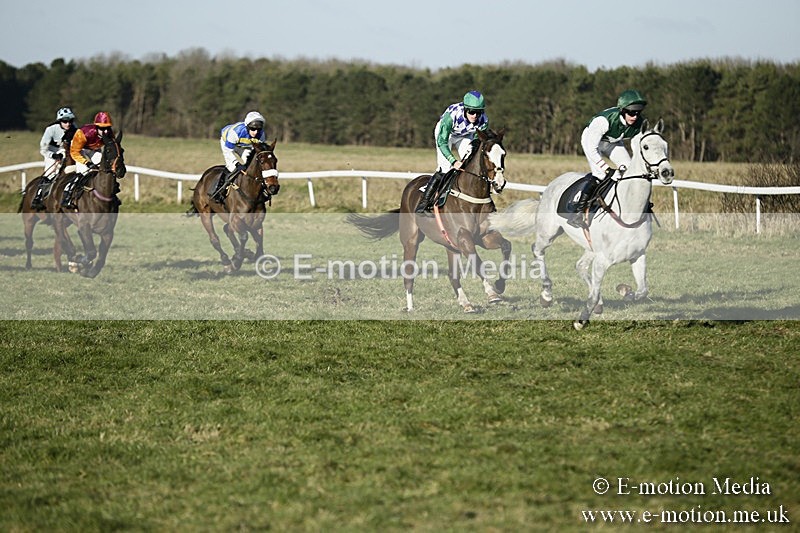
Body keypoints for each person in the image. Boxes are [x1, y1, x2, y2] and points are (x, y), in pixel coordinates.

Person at [569, 89, 647, 228]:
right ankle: (577, 212)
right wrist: (606, 169)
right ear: (622, 111)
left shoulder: (638, 123)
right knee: (599, 174)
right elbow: (591, 148)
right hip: (591, 142)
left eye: (638, 112)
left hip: (613, 142)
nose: (635, 116)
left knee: (629, 170)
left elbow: (637, 148)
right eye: (631, 112)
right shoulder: (603, 121)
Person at [415, 90, 489, 214]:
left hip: (464, 135)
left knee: (471, 162)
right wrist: (453, 161)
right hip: (446, 135)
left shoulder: (484, 121)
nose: (475, 115)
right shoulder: (452, 115)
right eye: (471, 111)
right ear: (465, 109)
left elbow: (476, 142)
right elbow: (442, 142)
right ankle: (424, 202)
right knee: (445, 167)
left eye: (479, 112)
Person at [209, 111, 267, 202]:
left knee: (248, 167)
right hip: (228, 144)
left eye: (258, 129)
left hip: (245, 146)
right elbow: (228, 151)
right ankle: (219, 191)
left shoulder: (261, 135)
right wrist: (236, 163)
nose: (255, 132)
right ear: (247, 126)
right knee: (232, 168)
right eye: (252, 129)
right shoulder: (236, 132)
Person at [61, 111, 114, 209]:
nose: (106, 131)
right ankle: (68, 195)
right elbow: (74, 152)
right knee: (84, 171)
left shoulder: (109, 133)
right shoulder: (83, 133)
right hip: (79, 149)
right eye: (102, 128)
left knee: (102, 168)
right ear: (96, 127)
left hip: (94, 149)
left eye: (107, 128)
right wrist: (87, 162)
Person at [31, 107, 78, 209]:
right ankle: (38, 196)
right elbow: (43, 149)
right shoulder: (51, 129)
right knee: (51, 173)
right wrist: (53, 155)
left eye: (70, 121)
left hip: (67, 151)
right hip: (51, 152)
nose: (68, 124)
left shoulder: (74, 128)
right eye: (65, 121)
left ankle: (69, 195)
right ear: (60, 121)